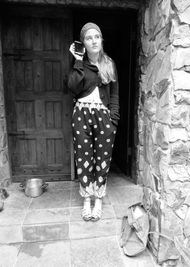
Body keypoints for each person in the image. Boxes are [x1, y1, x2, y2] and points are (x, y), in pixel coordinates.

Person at [68, 22, 120, 221]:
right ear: (83, 43)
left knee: (102, 160)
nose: (93, 41)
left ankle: (98, 199)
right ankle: (86, 200)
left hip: (103, 116)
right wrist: (78, 61)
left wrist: (113, 119)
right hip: (81, 113)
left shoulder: (109, 63)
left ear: (101, 39)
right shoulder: (77, 63)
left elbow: (115, 94)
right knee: (83, 157)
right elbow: (72, 87)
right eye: (88, 38)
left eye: (96, 36)